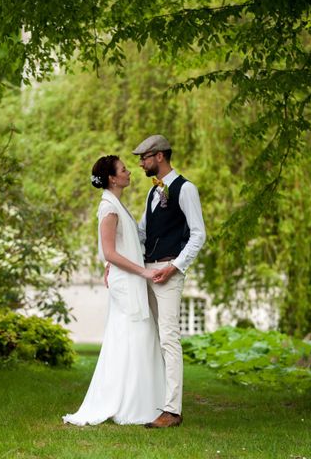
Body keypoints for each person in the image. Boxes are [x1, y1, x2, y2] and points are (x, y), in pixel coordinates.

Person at [62, 155, 166, 426]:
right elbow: (108, 250)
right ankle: (131, 405)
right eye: (123, 169)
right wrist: (143, 271)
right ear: (112, 178)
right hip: (127, 280)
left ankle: (141, 402)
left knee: (136, 339)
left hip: (129, 277)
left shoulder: (116, 204)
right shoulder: (108, 207)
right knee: (132, 337)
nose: (130, 172)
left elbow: (118, 248)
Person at [133, 134, 206, 429]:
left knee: (169, 338)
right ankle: (154, 401)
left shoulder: (186, 189)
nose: (140, 163)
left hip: (168, 273)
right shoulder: (153, 193)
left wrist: (175, 267)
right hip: (148, 271)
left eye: (144, 158)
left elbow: (198, 234)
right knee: (151, 337)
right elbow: (142, 232)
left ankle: (172, 411)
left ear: (159, 156)